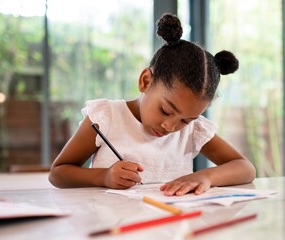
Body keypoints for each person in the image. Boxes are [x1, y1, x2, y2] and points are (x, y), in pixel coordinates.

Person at [49, 13, 256, 196]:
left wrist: (206, 177)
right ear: (146, 81)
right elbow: (58, 173)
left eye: (185, 120)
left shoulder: (193, 130)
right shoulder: (106, 117)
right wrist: (103, 177)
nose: (171, 127)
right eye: (165, 110)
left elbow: (245, 168)